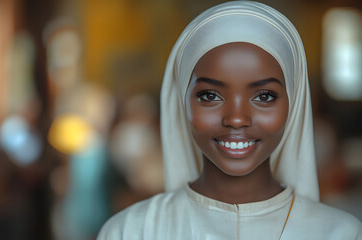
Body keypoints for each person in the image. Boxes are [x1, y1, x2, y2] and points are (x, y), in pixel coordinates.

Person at [97, 1, 362, 239]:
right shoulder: (131, 231)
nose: (236, 119)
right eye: (210, 95)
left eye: (265, 96)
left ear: (293, 103)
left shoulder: (341, 233)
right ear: (182, 101)